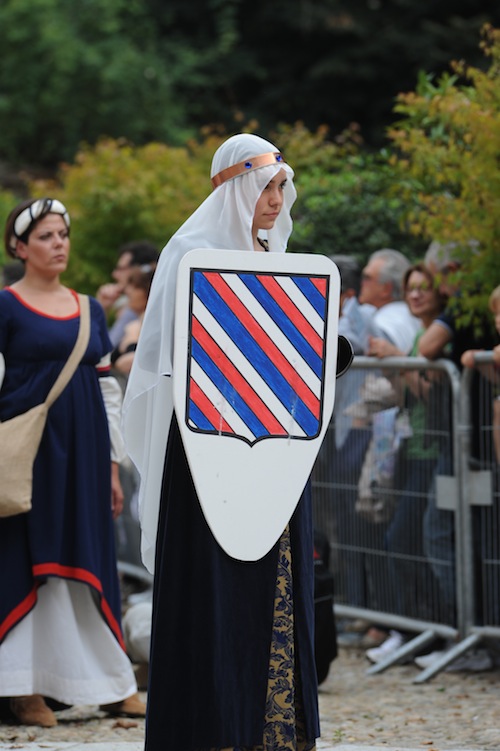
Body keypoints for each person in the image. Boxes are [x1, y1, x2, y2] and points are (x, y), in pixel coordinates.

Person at [123, 134, 320, 751]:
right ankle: (210, 729)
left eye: (282, 186)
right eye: (265, 185)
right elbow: (169, 361)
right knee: (213, 585)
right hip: (209, 451)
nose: (275, 198)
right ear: (236, 186)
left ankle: (275, 729)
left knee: (279, 582)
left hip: (278, 450)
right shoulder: (192, 256)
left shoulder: (283, 260)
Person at [0, 198, 145, 727]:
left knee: (88, 563)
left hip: (83, 459)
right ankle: (22, 687)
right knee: (28, 564)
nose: (58, 243)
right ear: (19, 247)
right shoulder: (5, 307)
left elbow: (106, 388)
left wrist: (110, 464)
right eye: (45, 236)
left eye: (63, 234)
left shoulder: (90, 309)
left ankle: (109, 682)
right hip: (28, 458)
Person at [364, 263, 448, 662]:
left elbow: (438, 400)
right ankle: (416, 629)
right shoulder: (418, 336)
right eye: (410, 289)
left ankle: (432, 630)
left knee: (407, 541)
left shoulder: (433, 341)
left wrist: (400, 358)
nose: (415, 295)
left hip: (434, 452)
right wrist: (394, 369)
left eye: (423, 289)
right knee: (407, 542)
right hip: (411, 449)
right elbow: (410, 397)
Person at [96, 239, 159, 348]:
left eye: (121, 269)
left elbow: (104, 348)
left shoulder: (137, 312)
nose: (115, 274)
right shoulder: (127, 308)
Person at [111, 263, 156, 376]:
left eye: (136, 286)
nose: (128, 291)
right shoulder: (137, 320)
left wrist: (131, 340)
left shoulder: (152, 324)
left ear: (148, 291)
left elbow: (124, 363)